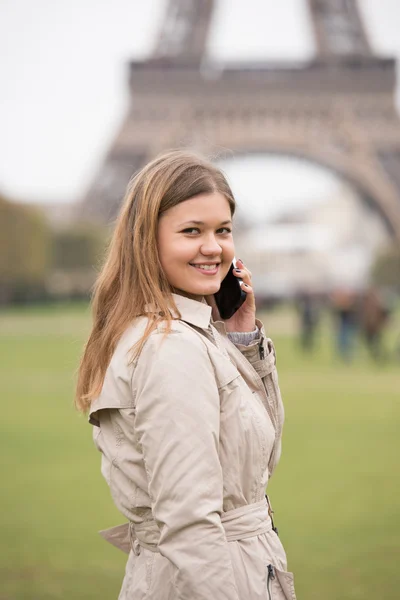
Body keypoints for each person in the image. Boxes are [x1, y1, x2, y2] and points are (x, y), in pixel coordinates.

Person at [75, 150, 296, 600]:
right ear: (146, 240)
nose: (213, 247)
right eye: (191, 231)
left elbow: (251, 460)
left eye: (223, 230)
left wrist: (240, 339)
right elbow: (190, 523)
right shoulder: (172, 347)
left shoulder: (183, 335)